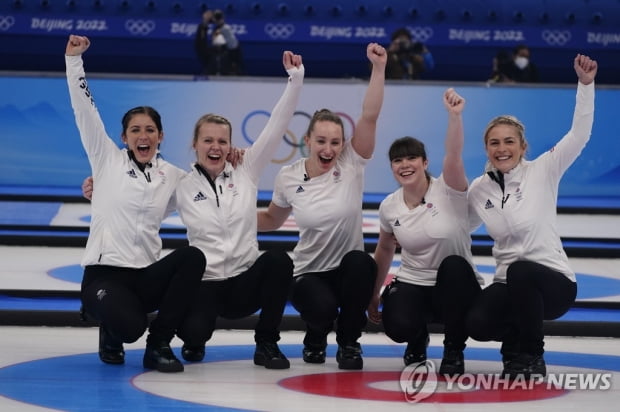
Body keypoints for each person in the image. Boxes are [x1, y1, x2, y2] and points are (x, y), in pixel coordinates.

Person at [65, 35, 206, 373]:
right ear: (123, 137)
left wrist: (233, 161)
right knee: (129, 327)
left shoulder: (173, 175)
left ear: (161, 136)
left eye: (150, 130)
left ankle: (158, 344)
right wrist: (74, 61)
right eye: (135, 130)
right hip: (105, 275)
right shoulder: (106, 160)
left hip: (144, 276)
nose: (143, 136)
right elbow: (85, 111)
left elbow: (209, 196)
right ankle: (107, 324)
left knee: (192, 257)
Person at [466, 54, 598, 379]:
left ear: (523, 146)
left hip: (553, 284)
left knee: (522, 270)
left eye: (509, 141)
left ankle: (532, 356)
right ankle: (512, 346)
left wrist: (586, 85)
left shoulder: (543, 170)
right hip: (509, 284)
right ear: (486, 149)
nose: (502, 148)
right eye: (494, 143)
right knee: (477, 323)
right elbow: (458, 226)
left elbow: (579, 135)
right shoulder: (479, 189)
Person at [257, 43, 387, 370]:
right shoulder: (289, 176)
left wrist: (378, 67)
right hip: (309, 272)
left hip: (347, 272)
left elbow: (370, 115)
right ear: (307, 141)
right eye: (321, 141)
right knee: (322, 308)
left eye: (335, 141)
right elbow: (272, 218)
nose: (328, 148)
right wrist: (229, 215)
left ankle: (349, 343)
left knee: (361, 264)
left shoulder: (352, 163)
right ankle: (315, 337)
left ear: (343, 144)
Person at [173, 51, 304, 369]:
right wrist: (100, 187)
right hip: (205, 285)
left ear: (230, 145)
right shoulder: (179, 183)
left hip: (245, 282)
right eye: (208, 140)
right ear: (195, 144)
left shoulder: (247, 169)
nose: (215, 147)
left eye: (222, 140)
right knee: (192, 334)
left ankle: (267, 342)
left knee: (278, 261)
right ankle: (194, 338)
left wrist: (295, 78)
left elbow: (277, 126)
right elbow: (141, 202)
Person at [368, 89, 484, 376]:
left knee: (455, 267)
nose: (405, 165)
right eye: (398, 161)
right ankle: (417, 336)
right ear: (392, 168)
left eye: (411, 158)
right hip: (414, 282)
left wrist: (454, 117)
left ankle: (454, 348)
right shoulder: (389, 206)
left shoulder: (449, 188)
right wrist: (373, 294)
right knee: (398, 326)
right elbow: (384, 249)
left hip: (454, 287)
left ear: (425, 163)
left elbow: (453, 153)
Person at [194, 9, 244, 76]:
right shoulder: (208, 54)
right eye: (216, 35)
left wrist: (221, 23)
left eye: (221, 35)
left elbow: (233, 45)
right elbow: (200, 43)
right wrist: (204, 24)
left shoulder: (232, 54)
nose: (218, 37)